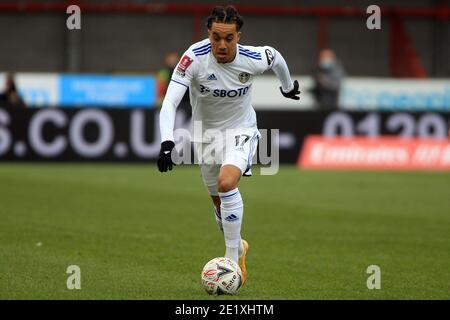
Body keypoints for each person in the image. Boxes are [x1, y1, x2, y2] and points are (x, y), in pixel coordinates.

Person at [157, 5, 300, 286]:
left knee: (226, 184)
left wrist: (286, 86)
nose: (221, 45)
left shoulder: (252, 58)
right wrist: (166, 142)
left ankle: (231, 260)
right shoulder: (193, 58)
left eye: (229, 38)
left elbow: (276, 57)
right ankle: (239, 246)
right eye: (215, 38)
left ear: (238, 36)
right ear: (208, 34)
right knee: (218, 203)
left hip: (241, 130)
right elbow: (170, 102)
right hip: (205, 137)